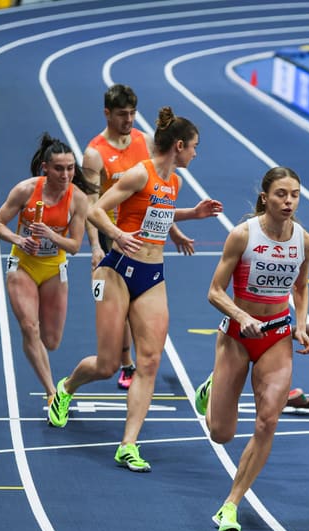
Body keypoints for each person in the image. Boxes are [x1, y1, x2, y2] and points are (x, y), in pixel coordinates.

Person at [48, 107, 223, 473]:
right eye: (194, 146)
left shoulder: (174, 182)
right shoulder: (139, 172)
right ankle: (65, 388)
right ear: (178, 145)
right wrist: (118, 235)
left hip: (152, 275)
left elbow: (158, 212)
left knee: (150, 362)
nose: (196, 153)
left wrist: (190, 217)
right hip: (114, 271)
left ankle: (128, 444)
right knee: (108, 364)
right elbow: (96, 210)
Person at [193, 167, 309, 531]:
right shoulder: (243, 235)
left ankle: (231, 504)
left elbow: (301, 286)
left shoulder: (305, 242)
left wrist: (301, 325)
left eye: (294, 194)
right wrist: (241, 315)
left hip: (276, 336)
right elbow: (214, 291)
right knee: (221, 433)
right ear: (265, 197)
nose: (288, 201)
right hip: (237, 335)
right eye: (281, 194)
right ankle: (212, 387)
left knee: (268, 421)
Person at [82, 83, 197, 390]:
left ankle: (131, 364)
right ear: (108, 113)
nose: (129, 119)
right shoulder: (94, 154)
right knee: (117, 318)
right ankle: (122, 361)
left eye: (133, 113)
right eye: (122, 114)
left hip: (143, 234)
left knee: (140, 313)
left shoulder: (144, 141)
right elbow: (91, 205)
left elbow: (157, 194)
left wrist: (174, 231)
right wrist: (96, 246)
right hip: (112, 232)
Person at [0, 134, 93, 404]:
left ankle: (56, 385)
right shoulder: (25, 190)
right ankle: (51, 393)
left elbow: (74, 246)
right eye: (59, 168)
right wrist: (18, 239)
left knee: (51, 341)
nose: (65, 174)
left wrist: (50, 234)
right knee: (29, 327)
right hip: (22, 266)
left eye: (70, 168)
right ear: (45, 168)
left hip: (54, 269)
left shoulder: (78, 199)